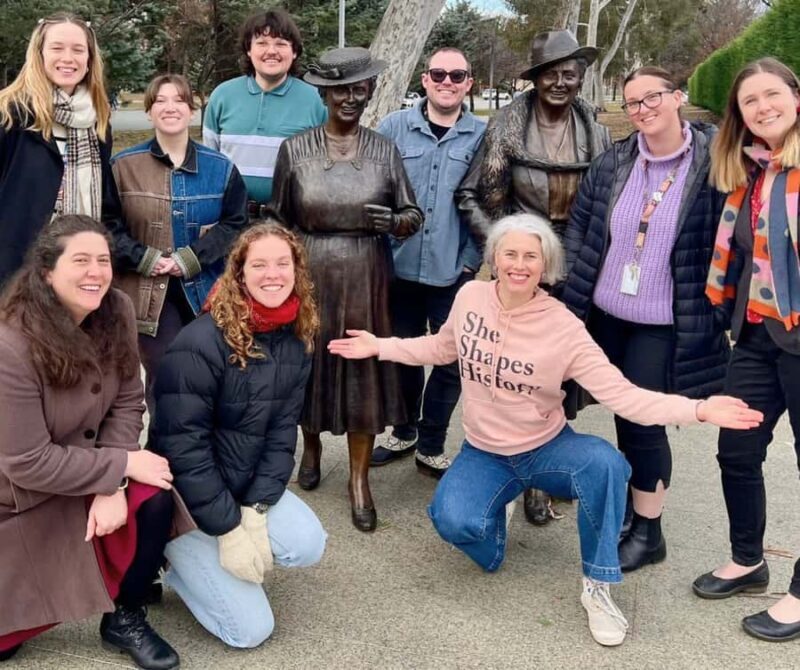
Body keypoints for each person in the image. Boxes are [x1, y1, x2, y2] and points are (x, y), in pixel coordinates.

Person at [329, 212, 762, 646]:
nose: (519, 264)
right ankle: (500, 513)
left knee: (606, 464)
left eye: (531, 256)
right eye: (510, 253)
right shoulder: (470, 298)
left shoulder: (565, 328)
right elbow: (441, 348)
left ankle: (598, 584)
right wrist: (380, 345)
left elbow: (625, 396)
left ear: (545, 265)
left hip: (546, 447)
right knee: (453, 521)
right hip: (484, 451)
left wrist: (700, 409)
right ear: (494, 258)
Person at [0, 215, 192, 669]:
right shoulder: (11, 345)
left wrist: (114, 483)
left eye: (103, 260)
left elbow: (128, 401)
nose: (96, 272)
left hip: (89, 468)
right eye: (81, 260)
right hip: (23, 493)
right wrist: (118, 469)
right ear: (47, 272)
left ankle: (125, 615)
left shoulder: (118, 309)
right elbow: (27, 463)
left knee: (156, 494)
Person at [558, 66, 730, 572]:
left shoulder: (713, 165)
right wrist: (573, 293)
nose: (642, 110)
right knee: (599, 410)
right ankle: (627, 511)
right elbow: (582, 226)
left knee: (643, 420)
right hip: (606, 313)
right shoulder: (615, 161)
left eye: (652, 98)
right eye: (632, 103)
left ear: (677, 98)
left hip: (662, 322)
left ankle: (649, 531)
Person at [456, 29, 611, 525]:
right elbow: (470, 195)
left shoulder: (597, 132)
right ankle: (514, 472)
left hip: (581, 263)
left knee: (565, 373)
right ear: (536, 78)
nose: (561, 82)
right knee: (520, 373)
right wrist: (503, 247)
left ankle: (549, 467)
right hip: (524, 262)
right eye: (552, 74)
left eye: (570, 74)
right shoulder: (506, 127)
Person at [151, 220, 327, 648]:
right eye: (260, 264)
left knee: (308, 544)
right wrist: (229, 531)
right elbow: (182, 449)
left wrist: (257, 508)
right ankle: (171, 557)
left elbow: (283, 432)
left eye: (282, 264)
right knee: (249, 633)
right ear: (240, 273)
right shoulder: (200, 343)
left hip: (242, 483)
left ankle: (218, 548)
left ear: (297, 271)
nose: (273, 274)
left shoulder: (296, 337)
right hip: (187, 499)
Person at [271, 47, 423, 532]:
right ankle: (310, 448)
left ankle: (359, 480)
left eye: (360, 88)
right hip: (310, 270)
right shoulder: (295, 150)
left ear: (372, 90)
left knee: (362, 374)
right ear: (323, 93)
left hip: (366, 274)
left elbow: (413, 214)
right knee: (309, 365)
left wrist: (395, 222)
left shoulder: (384, 149)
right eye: (341, 89)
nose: (351, 98)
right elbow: (277, 216)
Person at [692, 57, 800, 642]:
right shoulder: (751, 173)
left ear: (796, 96)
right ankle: (748, 559)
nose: (762, 108)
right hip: (756, 334)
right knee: (737, 448)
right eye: (749, 102)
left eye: (771, 95)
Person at [372, 47, 486, 478]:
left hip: (451, 272)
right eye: (439, 73)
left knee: (451, 361)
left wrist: (471, 263)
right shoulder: (393, 128)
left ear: (468, 83)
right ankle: (404, 431)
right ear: (424, 79)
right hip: (397, 270)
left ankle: (432, 441)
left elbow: (490, 199)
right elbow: (374, 189)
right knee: (403, 355)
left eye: (457, 75)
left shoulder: (480, 136)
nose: (447, 82)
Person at [111, 73, 248, 415]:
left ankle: (211, 456)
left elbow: (235, 224)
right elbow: (107, 227)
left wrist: (189, 259)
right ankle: (165, 455)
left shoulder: (221, 168)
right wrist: (146, 258)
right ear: (149, 111)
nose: (170, 107)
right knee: (166, 377)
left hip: (207, 290)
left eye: (179, 100)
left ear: (192, 110)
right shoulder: (122, 166)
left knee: (213, 373)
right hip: (147, 294)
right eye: (160, 100)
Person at [0, 13, 123, 287]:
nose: (68, 58)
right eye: (57, 48)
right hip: (16, 273)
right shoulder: (10, 114)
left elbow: (107, 204)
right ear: (39, 53)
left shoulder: (97, 123)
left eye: (78, 50)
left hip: (78, 273)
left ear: (89, 60)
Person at [203, 8, 327, 212]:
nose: (271, 51)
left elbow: (325, 168)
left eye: (281, 44)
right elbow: (209, 163)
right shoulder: (222, 96)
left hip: (291, 220)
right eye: (261, 43)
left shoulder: (316, 100)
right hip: (232, 218)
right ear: (248, 50)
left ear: (294, 51)